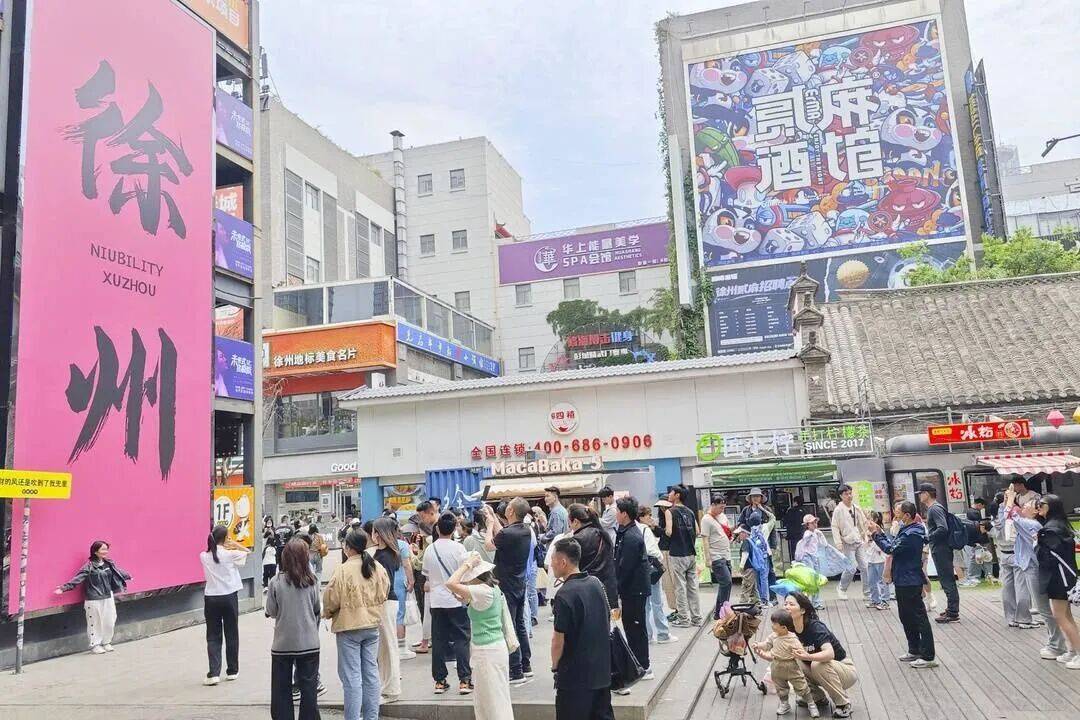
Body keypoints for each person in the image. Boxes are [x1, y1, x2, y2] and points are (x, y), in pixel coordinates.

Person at [323, 528, 390, 720]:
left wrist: (327, 613)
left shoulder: (343, 570)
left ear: (349, 547)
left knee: (352, 677)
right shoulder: (376, 567)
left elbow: (331, 599)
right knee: (371, 674)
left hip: (349, 627)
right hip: (372, 625)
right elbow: (385, 591)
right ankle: (371, 717)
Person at [446, 553, 518, 720]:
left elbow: (450, 583)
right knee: (493, 698)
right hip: (492, 649)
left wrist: (467, 565)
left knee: (491, 701)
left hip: (487, 651)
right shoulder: (491, 588)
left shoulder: (481, 591)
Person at [550, 537, 615, 720]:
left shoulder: (564, 594)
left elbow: (558, 640)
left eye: (553, 559)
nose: (551, 564)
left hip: (575, 677)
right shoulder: (596, 583)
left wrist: (555, 667)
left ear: (563, 562)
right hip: (601, 672)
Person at [867, 502, 937, 668]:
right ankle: (914, 649)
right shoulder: (907, 529)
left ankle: (928, 656)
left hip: (910, 579)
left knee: (919, 617)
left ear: (907, 515)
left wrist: (876, 535)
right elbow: (893, 546)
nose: (895, 515)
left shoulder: (913, 533)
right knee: (906, 616)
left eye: (898, 512)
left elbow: (891, 549)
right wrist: (880, 533)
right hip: (902, 578)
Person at [267, 539, 322, 720]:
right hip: (309, 643)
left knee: (281, 689)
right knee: (309, 689)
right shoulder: (312, 581)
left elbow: (271, 611)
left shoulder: (275, 582)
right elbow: (317, 609)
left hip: (283, 644)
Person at [784, 592, 858, 718]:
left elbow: (829, 654)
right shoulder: (789, 629)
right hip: (816, 670)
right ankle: (817, 697)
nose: (787, 607)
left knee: (817, 664)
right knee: (789, 663)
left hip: (844, 670)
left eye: (791, 604)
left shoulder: (815, 627)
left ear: (802, 610)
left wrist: (807, 656)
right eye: (785, 604)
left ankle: (843, 703)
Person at [484, 498, 534, 685]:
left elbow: (489, 544)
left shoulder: (508, 533)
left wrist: (490, 524)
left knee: (509, 626)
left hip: (506, 585)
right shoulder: (525, 530)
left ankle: (516, 670)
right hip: (519, 583)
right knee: (519, 625)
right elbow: (502, 534)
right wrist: (494, 518)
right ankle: (525, 664)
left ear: (511, 511)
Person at [424, 512, 473, 694]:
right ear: (454, 530)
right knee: (461, 639)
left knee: (438, 641)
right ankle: (464, 680)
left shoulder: (430, 549)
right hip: (456, 599)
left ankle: (439, 681)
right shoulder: (459, 548)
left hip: (436, 601)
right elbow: (465, 575)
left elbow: (427, 576)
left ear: (437, 528)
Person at [54, 540, 131, 655]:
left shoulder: (108, 564)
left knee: (110, 620)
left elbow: (117, 572)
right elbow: (78, 578)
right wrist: (64, 588)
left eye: (106, 549)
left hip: (108, 596)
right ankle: (95, 645)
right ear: (95, 551)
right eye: (103, 549)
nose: (106, 551)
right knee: (95, 622)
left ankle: (106, 642)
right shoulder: (89, 566)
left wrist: (127, 576)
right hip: (94, 598)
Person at [199, 525, 250, 684]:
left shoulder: (203, 556)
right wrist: (233, 543)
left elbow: (212, 551)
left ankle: (214, 673)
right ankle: (232, 670)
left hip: (211, 598)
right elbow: (247, 552)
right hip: (229, 596)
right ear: (225, 538)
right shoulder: (230, 554)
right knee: (231, 633)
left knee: (213, 636)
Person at [1035, 495, 1080, 668]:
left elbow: (1046, 558)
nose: (1038, 506)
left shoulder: (1049, 530)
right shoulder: (1061, 525)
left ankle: (1078, 652)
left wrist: (1035, 544)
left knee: (1060, 616)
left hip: (1057, 577)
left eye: (1042, 504)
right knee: (1066, 616)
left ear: (1051, 507)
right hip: (1066, 576)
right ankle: (1073, 651)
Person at [752, 610, 820, 718]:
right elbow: (767, 644)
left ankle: (811, 704)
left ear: (784, 627)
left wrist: (800, 653)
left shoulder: (792, 639)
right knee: (780, 687)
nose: (772, 626)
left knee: (801, 685)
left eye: (775, 624)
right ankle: (785, 704)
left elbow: (800, 650)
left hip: (791, 666)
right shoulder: (773, 636)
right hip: (776, 665)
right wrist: (759, 645)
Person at [614, 496, 652, 680]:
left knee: (636, 627)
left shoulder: (631, 536)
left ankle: (643, 666)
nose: (615, 514)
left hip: (634, 589)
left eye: (617, 511)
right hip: (632, 589)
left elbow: (626, 567)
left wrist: (616, 587)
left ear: (624, 514)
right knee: (632, 627)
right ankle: (638, 664)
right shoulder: (626, 532)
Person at [994, 481, 1041, 629]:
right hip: (1017, 553)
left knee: (1007, 586)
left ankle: (1011, 617)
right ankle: (1023, 618)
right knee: (1021, 586)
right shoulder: (1015, 511)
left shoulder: (999, 513)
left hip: (1003, 552)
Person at [368, 516, 404, 701]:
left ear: (379, 533)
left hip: (385, 602)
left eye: (374, 531)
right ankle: (388, 686)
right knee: (385, 647)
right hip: (387, 602)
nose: (372, 534)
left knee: (388, 647)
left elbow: (383, 584)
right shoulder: (388, 553)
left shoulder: (383, 556)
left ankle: (392, 689)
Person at [918, 483, 959, 623]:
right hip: (940, 548)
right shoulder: (935, 508)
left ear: (927, 494)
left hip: (941, 548)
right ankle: (951, 609)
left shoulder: (934, 509)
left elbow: (943, 528)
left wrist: (928, 537)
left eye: (921, 493)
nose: (920, 496)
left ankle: (953, 612)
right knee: (945, 579)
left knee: (947, 580)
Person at [664, 484, 702, 627]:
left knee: (680, 587)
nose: (669, 494)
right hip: (691, 553)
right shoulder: (690, 512)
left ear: (677, 495)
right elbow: (697, 531)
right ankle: (696, 618)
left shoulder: (670, 511)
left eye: (671, 492)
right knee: (693, 587)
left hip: (677, 553)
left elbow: (668, 532)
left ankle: (684, 619)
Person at [567, 503, 619, 609]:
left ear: (575, 521)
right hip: (607, 588)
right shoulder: (603, 534)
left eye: (569, 523)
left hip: (587, 590)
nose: (569, 526)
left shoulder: (577, 540)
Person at [637, 506, 675, 643]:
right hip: (651, 569)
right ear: (641, 517)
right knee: (657, 602)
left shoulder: (633, 529)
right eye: (648, 515)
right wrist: (660, 557)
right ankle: (663, 634)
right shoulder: (645, 530)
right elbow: (651, 550)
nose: (650, 518)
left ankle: (647, 635)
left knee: (645, 604)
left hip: (640, 570)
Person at [407, 500, 439, 654]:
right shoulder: (425, 534)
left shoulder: (435, 531)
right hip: (426, 575)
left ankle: (429, 639)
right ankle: (427, 637)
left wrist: (412, 557)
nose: (421, 520)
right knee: (424, 608)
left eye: (422, 516)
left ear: (430, 513)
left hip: (428, 576)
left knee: (427, 609)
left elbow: (423, 560)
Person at [830, 485, 869, 602]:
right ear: (841, 496)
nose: (849, 496)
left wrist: (866, 535)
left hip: (858, 540)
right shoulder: (838, 510)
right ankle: (842, 588)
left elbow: (863, 522)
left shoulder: (856, 507)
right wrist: (838, 543)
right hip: (847, 542)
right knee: (851, 568)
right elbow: (834, 527)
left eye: (850, 493)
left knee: (865, 566)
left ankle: (867, 592)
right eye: (846, 494)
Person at [701, 496, 733, 617]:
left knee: (726, 584)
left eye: (724, 507)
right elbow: (705, 539)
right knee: (726, 582)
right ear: (713, 505)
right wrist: (707, 558)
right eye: (720, 507)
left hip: (726, 554)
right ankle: (722, 611)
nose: (722, 510)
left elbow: (727, 530)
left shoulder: (723, 516)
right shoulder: (706, 519)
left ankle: (720, 611)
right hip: (716, 555)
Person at [794, 515, 828, 610]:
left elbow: (824, 544)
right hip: (807, 558)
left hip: (814, 557)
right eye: (812, 523)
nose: (815, 524)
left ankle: (814, 602)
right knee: (810, 580)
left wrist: (820, 534)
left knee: (815, 580)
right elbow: (802, 545)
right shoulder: (808, 534)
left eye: (815, 522)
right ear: (807, 525)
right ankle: (808, 602)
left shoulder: (816, 533)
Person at [960, 498, 993, 586]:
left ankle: (978, 576)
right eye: (982, 507)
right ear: (979, 504)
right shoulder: (974, 516)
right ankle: (977, 576)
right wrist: (975, 543)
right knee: (978, 557)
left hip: (974, 541)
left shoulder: (969, 513)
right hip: (977, 540)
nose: (982, 509)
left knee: (978, 557)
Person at [864, 512, 889, 610]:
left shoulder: (879, 530)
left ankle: (885, 601)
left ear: (875, 520)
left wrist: (871, 541)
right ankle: (875, 600)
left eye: (870, 519)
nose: (868, 521)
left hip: (880, 560)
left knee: (882, 581)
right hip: (870, 559)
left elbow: (881, 546)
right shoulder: (867, 532)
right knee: (871, 581)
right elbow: (866, 545)